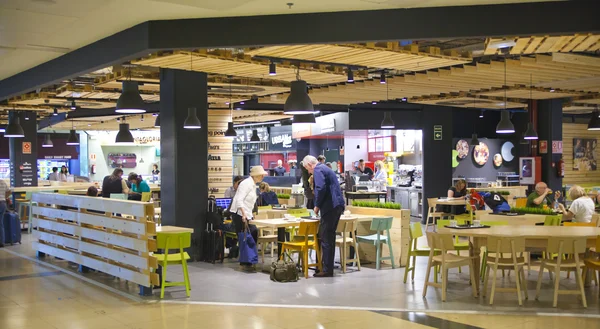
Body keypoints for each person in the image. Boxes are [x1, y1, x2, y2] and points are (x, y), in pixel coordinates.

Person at [303, 155, 345, 278]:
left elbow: (320, 188)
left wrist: (317, 206)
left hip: (330, 207)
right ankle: (327, 268)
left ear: (310, 165)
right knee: (329, 237)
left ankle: (326, 269)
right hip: (337, 205)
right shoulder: (325, 168)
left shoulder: (318, 170)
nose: (308, 171)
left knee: (326, 237)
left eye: (307, 168)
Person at [230, 165, 268, 271]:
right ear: (255, 175)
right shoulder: (246, 184)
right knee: (246, 235)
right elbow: (239, 200)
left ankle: (249, 259)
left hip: (247, 213)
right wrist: (243, 214)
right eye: (261, 175)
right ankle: (247, 260)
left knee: (252, 233)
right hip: (240, 214)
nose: (262, 177)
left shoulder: (253, 184)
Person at [0, 179, 10, 247]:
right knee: (0, 223)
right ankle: (2, 242)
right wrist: (5, 197)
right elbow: (9, 191)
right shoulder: (2, 182)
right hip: (3, 203)